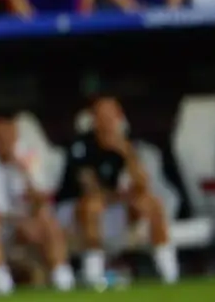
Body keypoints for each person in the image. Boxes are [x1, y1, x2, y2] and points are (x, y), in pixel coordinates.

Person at [58, 97, 180, 288]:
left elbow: (141, 184)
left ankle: (169, 273)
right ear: (93, 119)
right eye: (102, 116)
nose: (107, 121)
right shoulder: (81, 147)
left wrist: (126, 152)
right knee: (92, 206)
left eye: (111, 116)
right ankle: (94, 273)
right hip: (74, 211)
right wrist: (122, 197)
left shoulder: (127, 145)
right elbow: (91, 189)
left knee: (151, 203)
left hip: (112, 207)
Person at [0, 115, 74, 293]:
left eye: (8, 135)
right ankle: (0, 282)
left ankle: (63, 278)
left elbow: (41, 198)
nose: (4, 140)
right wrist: (7, 218)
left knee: (47, 219)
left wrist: (23, 172)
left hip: (20, 221)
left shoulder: (28, 154)